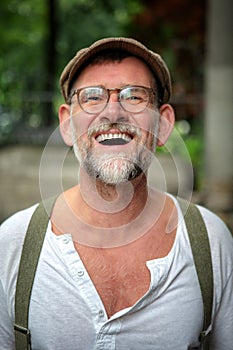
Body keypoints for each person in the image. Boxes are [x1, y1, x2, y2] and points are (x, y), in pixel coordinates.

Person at [0, 37, 232, 350]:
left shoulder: (211, 241)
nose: (113, 112)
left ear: (164, 125)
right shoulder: (13, 243)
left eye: (134, 96)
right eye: (92, 97)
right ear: (67, 124)